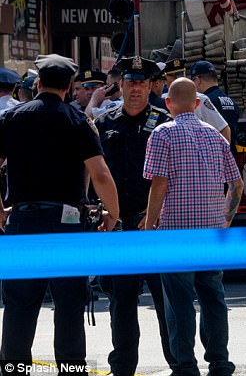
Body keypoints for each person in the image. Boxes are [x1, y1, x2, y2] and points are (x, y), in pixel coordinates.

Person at [0, 54, 120, 376]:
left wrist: (0, 210)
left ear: (38, 84)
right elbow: (100, 173)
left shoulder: (11, 119)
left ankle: (13, 370)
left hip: (23, 223)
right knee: (68, 305)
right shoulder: (77, 120)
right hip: (67, 225)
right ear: (68, 88)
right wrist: (112, 212)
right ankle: (71, 370)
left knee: (19, 306)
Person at [144, 77, 243, 376]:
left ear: (168, 103)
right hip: (211, 233)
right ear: (198, 103)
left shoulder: (162, 133)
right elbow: (236, 185)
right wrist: (225, 220)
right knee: (213, 298)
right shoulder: (216, 136)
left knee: (179, 302)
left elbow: (159, 184)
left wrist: (149, 225)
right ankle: (220, 361)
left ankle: (185, 365)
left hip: (175, 233)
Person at [93, 56, 175, 376]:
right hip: (119, 228)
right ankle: (123, 367)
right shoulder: (104, 123)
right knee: (121, 302)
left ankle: (179, 363)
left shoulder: (165, 124)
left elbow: (175, 176)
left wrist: (159, 213)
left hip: (154, 227)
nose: (136, 89)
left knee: (166, 302)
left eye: (141, 83)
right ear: (122, 85)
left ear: (150, 86)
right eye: (130, 83)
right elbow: (93, 172)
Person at [162, 59, 231, 142]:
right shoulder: (161, 100)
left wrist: (221, 149)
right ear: (165, 79)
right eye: (172, 76)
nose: (177, 78)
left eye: (180, 74)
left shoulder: (200, 99)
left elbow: (223, 128)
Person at [190, 60, 240, 155]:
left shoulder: (203, 101)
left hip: (215, 156)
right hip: (231, 155)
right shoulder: (231, 101)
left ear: (198, 80)